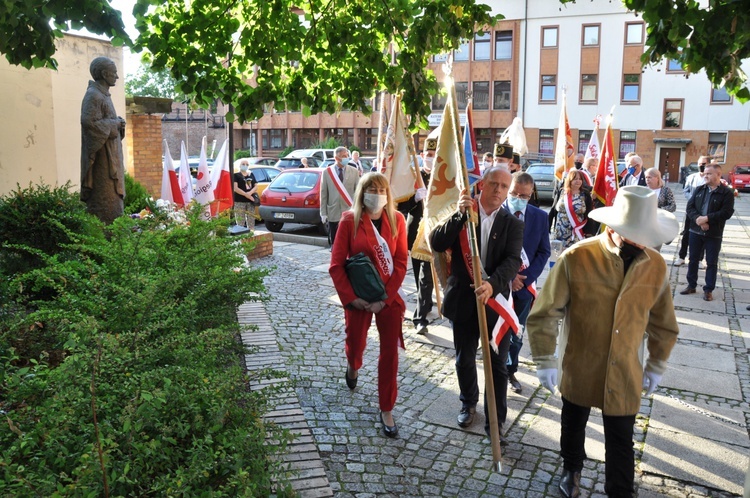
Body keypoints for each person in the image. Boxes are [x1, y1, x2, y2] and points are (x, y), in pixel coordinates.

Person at [527, 185, 680, 498]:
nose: (643, 242)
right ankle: (572, 469)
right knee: (573, 424)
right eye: (635, 233)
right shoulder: (577, 257)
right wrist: (544, 360)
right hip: (581, 361)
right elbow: (545, 313)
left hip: (625, 366)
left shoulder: (656, 265)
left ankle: (620, 489)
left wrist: (657, 364)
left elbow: (664, 322)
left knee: (622, 436)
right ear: (613, 227)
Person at [430, 167, 523, 443]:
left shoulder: (512, 222)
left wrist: (493, 284)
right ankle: (468, 404)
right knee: (464, 359)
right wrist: (458, 216)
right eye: (494, 184)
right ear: (481, 184)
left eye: (504, 186)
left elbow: (512, 261)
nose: (499, 190)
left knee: (498, 366)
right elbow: (436, 241)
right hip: (463, 300)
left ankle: (496, 422)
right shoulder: (463, 212)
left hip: (495, 301)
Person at [329, 172, 408, 438]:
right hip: (358, 298)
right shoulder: (349, 221)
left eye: (381, 189)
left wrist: (384, 299)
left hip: (388, 300)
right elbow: (336, 265)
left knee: (390, 354)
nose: (377, 194)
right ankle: (352, 365)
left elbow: (400, 263)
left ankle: (387, 407)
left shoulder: (397, 220)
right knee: (357, 343)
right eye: (371, 189)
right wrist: (352, 299)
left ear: (388, 193)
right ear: (362, 193)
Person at [503, 172, 550, 394]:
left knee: (516, 332)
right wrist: (509, 278)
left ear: (531, 195)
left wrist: (526, 278)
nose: (518, 198)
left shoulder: (540, 217)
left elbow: (544, 252)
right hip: (499, 284)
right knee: (497, 330)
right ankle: (496, 370)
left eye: (524, 195)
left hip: (524, 287)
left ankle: (510, 370)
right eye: (514, 193)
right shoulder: (497, 211)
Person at [80, 56, 127, 224]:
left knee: (112, 199)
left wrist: (117, 123)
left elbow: (103, 120)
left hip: (111, 155)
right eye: (114, 73)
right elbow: (88, 122)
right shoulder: (94, 95)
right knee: (105, 197)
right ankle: (105, 234)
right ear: (104, 73)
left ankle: (113, 234)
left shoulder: (104, 95)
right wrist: (114, 124)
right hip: (102, 160)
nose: (117, 76)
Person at [397, 136, 435, 335]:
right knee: (421, 274)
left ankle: (422, 313)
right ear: (422, 156)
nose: (431, 158)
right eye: (428, 155)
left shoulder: (443, 177)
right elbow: (400, 205)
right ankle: (423, 310)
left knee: (426, 277)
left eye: (434, 155)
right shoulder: (415, 177)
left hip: (434, 233)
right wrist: (415, 197)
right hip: (415, 233)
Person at [680, 163, 735, 302]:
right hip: (695, 230)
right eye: (705, 173)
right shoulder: (699, 189)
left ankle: (708, 289)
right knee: (693, 259)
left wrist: (708, 219)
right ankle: (691, 285)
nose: (705, 175)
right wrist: (698, 219)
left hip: (713, 233)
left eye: (709, 173)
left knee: (711, 262)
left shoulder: (726, 192)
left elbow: (727, 212)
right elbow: (690, 207)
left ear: (718, 174)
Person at [320, 146, 359, 247]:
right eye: (343, 156)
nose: (346, 158)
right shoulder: (327, 172)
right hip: (334, 211)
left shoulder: (354, 171)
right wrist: (323, 213)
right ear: (336, 158)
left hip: (350, 210)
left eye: (347, 155)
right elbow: (324, 193)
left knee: (349, 240)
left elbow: (358, 191)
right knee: (335, 241)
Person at [675, 156, 709, 266]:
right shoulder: (691, 177)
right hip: (691, 209)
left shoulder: (710, 178)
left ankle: (699, 259)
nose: (701, 166)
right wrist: (694, 200)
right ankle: (681, 256)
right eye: (699, 164)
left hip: (704, 212)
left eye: (703, 164)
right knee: (686, 234)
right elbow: (686, 190)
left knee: (702, 234)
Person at [554, 169, 594, 249]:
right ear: (570, 180)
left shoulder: (585, 194)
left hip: (577, 232)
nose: (578, 181)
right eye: (575, 179)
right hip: (561, 231)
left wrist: (590, 232)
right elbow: (554, 210)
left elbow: (589, 214)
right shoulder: (562, 192)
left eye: (580, 179)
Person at [233, 160, 258, 229]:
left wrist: (249, 193)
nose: (245, 165)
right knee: (240, 219)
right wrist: (246, 195)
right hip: (239, 200)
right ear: (239, 165)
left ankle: (251, 234)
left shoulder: (251, 174)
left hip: (250, 201)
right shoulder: (236, 175)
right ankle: (241, 235)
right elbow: (235, 188)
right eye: (243, 164)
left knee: (251, 219)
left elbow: (256, 186)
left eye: (247, 164)